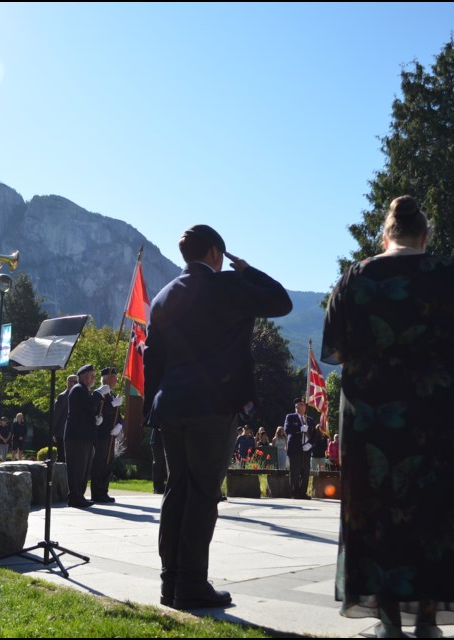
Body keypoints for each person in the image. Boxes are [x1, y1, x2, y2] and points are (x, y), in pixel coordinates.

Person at [321, 195, 454, 636]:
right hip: (443, 413)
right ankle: (426, 621)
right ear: (425, 235)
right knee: (437, 510)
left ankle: (387, 623)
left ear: (386, 234)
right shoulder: (453, 276)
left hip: (375, 415)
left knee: (379, 509)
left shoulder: (356, 278)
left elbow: (336, 349)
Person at [143, 223, 292, 610]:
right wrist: (246, 270)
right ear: (215, 253)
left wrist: (152, 410)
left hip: (170, 406)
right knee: (203, 494)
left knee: (176, 492)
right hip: (212, 406)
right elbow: (281, 302)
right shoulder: (228, 285)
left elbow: (151, 359)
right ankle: (192, 584)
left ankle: (170, 582)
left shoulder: (162, 297)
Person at [64, 364, 100, 508]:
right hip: (76, 437)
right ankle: (75, 497)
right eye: (92, 375)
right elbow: (89, 406)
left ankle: (79, 496)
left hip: (83, 436)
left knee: (83, 469)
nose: (94, 378)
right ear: (84, 377)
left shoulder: (85, 390)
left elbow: (88, 412)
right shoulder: (78, 389)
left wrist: (96, 419)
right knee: (77, 468)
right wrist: (98, 394)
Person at [91, 366, 124, 504]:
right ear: (105, 380)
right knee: (99, 463)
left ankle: (104, 491)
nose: (116, 380)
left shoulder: (110, 395)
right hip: (102, 435)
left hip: (111, 435)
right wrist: (112, 404)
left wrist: (120, 425)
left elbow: (118, 416)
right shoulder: (100, 394)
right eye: (113, 378)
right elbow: (100, 410)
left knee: (108, 464)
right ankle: (97, 493)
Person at [284, 399, 316, 499]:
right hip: (295, 449)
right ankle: (294, 492)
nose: (303, 406)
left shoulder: (310, 419)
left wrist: (310, 444)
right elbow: (287, 429)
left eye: (304, 405)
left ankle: (303, 492)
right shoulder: (290, 417)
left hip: (306, 449)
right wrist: (299, 429)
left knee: (305, 472)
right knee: (295, 472)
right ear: (296, 407)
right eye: (300, 405)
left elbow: (314, 435)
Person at [51, 375, 77, 462]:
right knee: (62, 458)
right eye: (75, 382)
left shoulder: (77, 396)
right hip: (62, 433)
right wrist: (52, 431)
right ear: (69, 383)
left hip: (73, 433)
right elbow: (56, 415)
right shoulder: (62, 397)